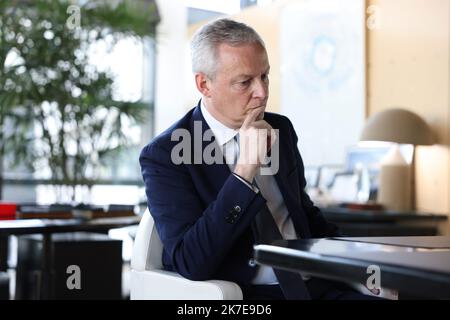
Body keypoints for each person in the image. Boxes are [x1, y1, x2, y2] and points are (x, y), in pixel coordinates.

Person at [140, 18, 379, 300]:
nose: (262, 93)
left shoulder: (281, 130)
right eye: (245, 82)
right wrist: (244, 173)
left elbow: (306, 217)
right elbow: (191, 261)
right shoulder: (166, 154)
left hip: (316, 286)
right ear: (204, 84)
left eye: (264, 76)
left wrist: (364, 265)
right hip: (246, 295)